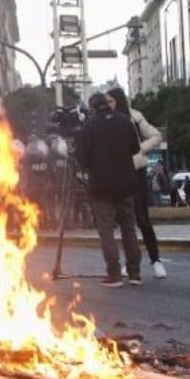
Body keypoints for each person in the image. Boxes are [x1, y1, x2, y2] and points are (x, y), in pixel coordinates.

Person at [76, 93, 142, 287]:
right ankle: (134, 273)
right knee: (129, 229)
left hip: (102, 188)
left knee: (106, 231)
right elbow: (135, 148)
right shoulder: (125, 121)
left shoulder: (89, 127)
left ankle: (114, 274)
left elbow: (82, 158)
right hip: (126, 184)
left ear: (92, 108)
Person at [106, 87, 169, 279]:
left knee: (142, 219)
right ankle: (132, 263)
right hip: (118, 174)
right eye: (107, 102)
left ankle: (156, 260)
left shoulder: (135, 117)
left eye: (111, 101)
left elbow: (156, 136)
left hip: (137, 172)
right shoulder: (106, 121)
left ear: (119, 101)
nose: (109, 105)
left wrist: (139, 149)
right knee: (126, 222)